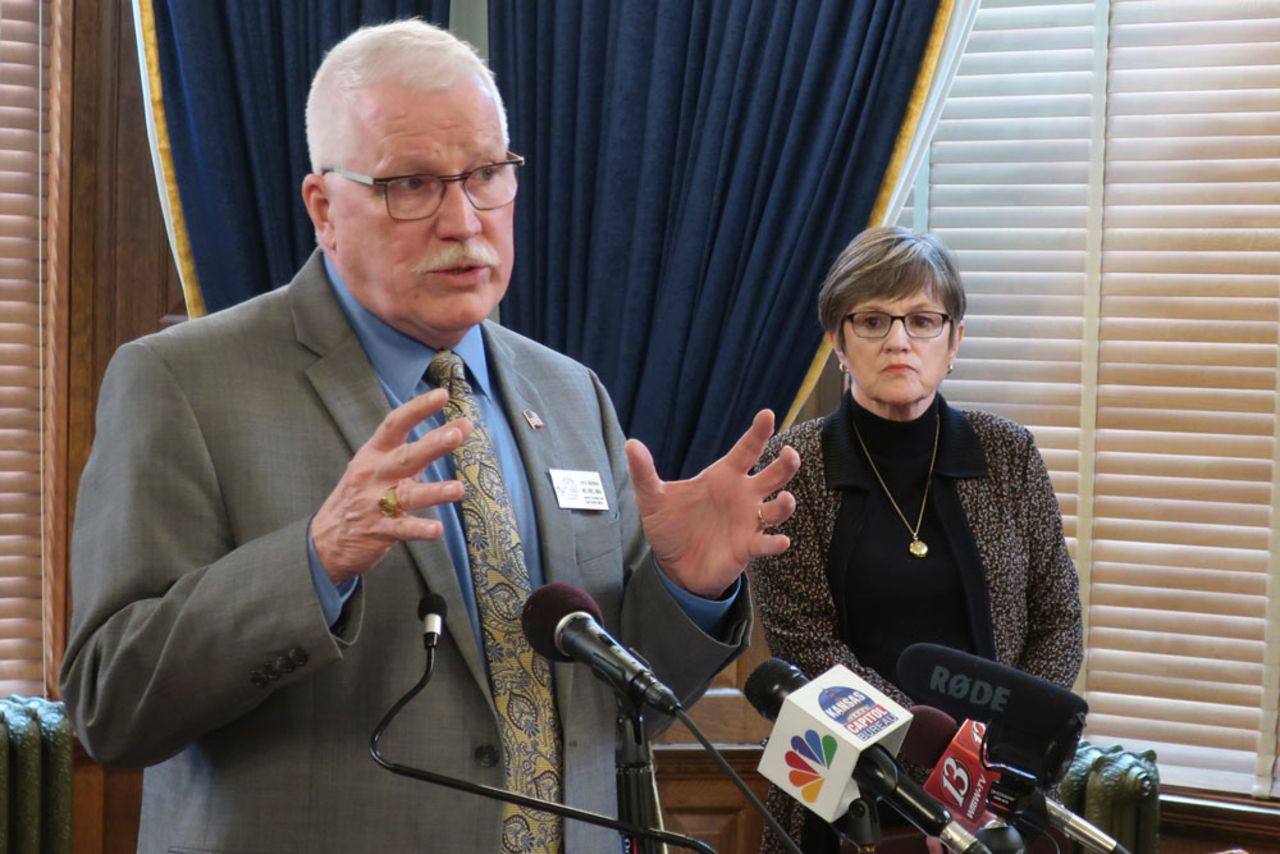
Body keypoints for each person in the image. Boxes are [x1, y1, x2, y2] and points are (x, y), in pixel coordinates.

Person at [60, 19, 799, 854]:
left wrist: (685, 590)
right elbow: (109, 705)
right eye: (410, 184)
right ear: (323, 207)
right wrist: (314, 560)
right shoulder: (184, 384)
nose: (462, 219)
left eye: (486, 174)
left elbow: (620, 711)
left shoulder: (569, 392)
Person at [751, 226, 1083, 854]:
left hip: (1000, 795)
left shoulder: (1007, 454)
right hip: (844, 788)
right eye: (873, 320)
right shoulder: (792, 463)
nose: (899, 340)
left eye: (922, 320)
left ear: (955, 340)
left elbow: (1059, 620)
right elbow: (806, 644)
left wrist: (998, 764)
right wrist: (935, 769)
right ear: (837, 340)